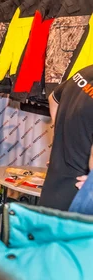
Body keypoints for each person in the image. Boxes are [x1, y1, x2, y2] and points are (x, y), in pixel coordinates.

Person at [40, 65, 93, 211]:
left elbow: (53, 99)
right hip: (82, 191)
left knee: (47, 229)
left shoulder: (85, 71)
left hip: (56, 181)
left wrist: (60, 139)